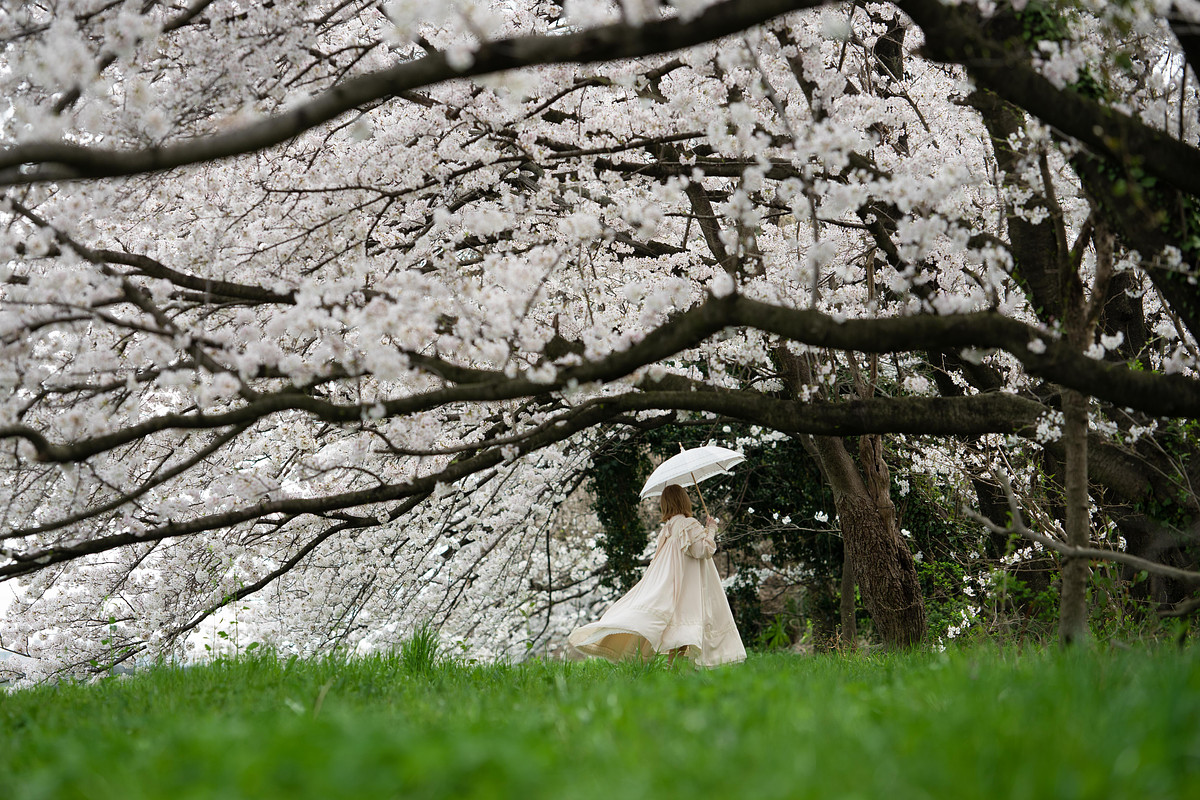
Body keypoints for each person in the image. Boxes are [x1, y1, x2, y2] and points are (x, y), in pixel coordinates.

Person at [568, 483, 746, 668]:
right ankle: (676, 671)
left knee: (680, 631)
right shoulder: (688, 524)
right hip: (687, 586)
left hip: (671, 584)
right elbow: (703, 550)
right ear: (684, 500)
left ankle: (675, 671)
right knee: (684, 630)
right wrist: (711, 529)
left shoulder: (668, 529)